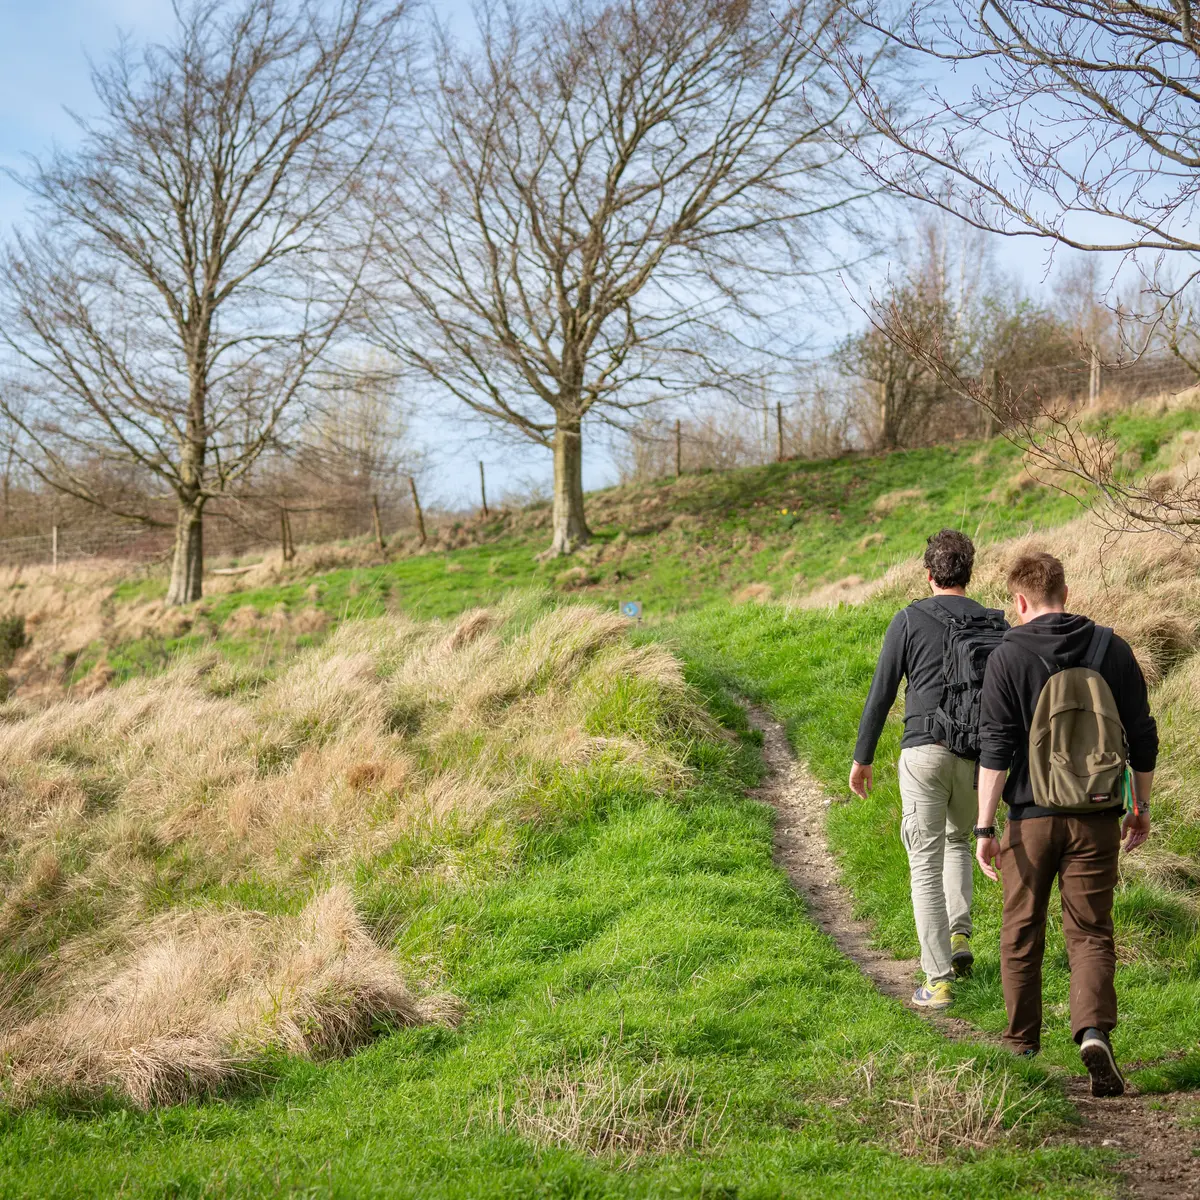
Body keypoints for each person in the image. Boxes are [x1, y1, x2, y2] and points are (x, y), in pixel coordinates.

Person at [976, 551, 1154, 1097]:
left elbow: (996, 748)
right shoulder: (1111, 648)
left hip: (1029, 818)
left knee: (1022, 927)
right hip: (1097, 814)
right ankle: (1093, 1031)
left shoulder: (1007, 656)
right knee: (1091, 930)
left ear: (1020, 601)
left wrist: (985, 827)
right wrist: (1138, 806)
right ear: (1067, 594)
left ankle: (1021, 1044)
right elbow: (1142, 736)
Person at [850, 529, 1008, 1010]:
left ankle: (937, 979)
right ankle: (960, 934)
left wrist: (863, 757)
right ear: (970, 573)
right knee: (961, 839)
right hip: (979, 756)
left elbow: (881, 692)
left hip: (925, 751)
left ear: (928, 573)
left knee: (924, 859)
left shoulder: (908, 619)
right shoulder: (995, 624)